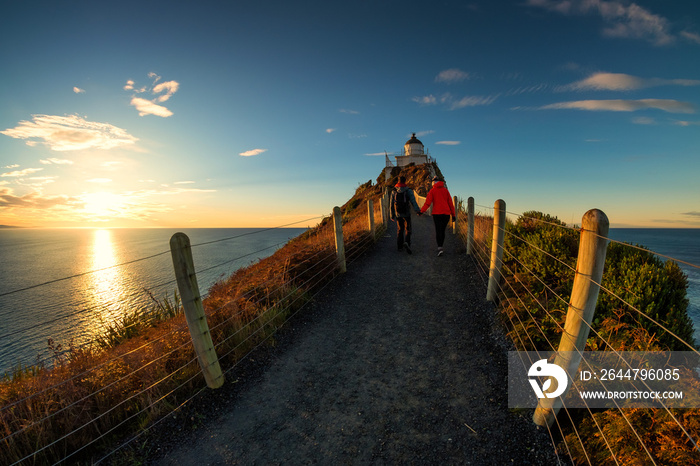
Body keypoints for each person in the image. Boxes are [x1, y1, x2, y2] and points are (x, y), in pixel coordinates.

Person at [420, 176, 455, 256]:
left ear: (433, 182)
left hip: (437, 214)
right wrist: (453, 215)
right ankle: (441, 246)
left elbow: (427, 203)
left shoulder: (432, 191)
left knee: (438, 230)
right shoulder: (445, 191)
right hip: (446, 214)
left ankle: (440, 247)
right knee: (442, 231)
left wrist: (421, 211)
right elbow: (450, 203)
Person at [390, 176, 422, 254]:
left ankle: (399, 247)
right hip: (406, 213)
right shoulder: (408, 190)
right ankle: (407, 242)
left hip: (398, 214)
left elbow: (391, 204)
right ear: (405, 181)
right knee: (408, 229)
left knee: (400, 230)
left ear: (398, 181)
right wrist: (417, 211)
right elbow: (413, 201)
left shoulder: (394, 190)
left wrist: (392, 215)